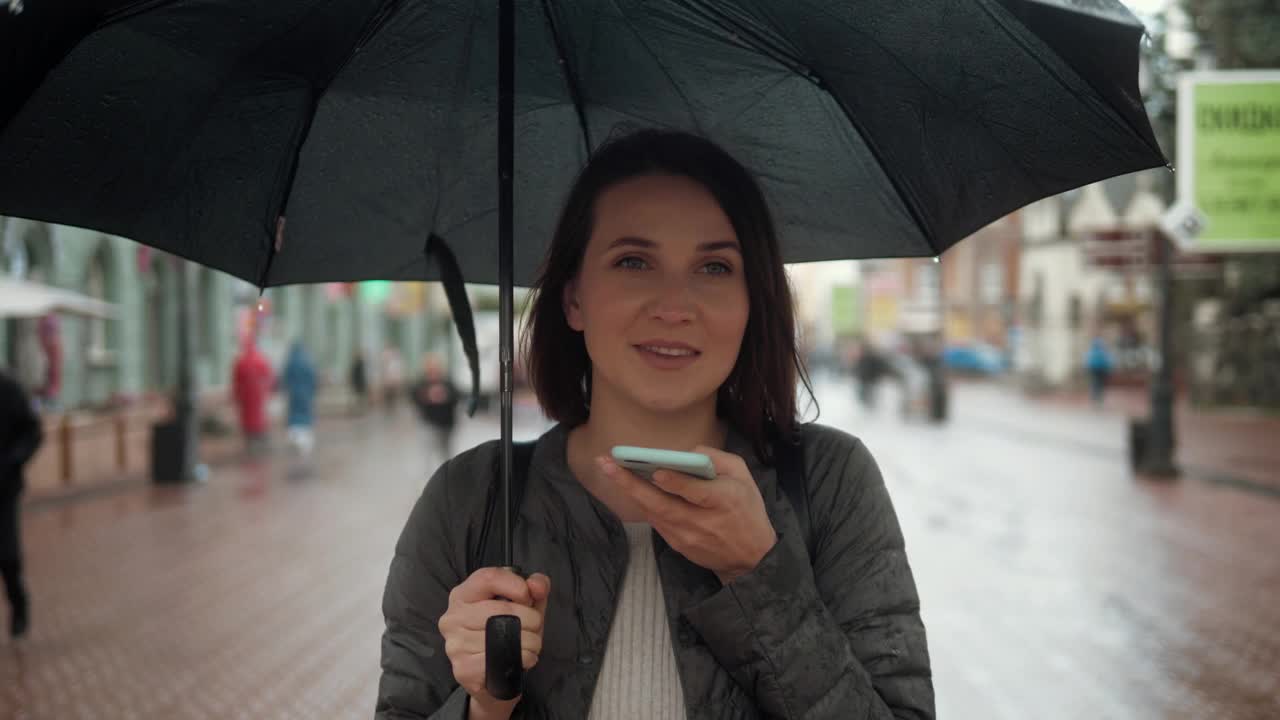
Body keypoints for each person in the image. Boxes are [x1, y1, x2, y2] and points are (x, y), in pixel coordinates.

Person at [375, 130, 934, 719]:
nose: (674, 305)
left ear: (752, 301)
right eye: (633, 261)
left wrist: (759, 575)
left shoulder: (830, 484)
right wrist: (484, 706)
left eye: (715, 267)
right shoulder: (470, 500)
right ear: (573, 300)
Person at [1, 367, 42, 639]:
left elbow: (33, 432)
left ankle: (19, 604)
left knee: (6, 555)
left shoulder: (9, 390)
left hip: (2, 490)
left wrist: (15, 459)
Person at [409, 353, 459, 462]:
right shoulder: (421, 383)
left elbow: (456, 398)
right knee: (427, 451)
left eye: (436, 367)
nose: (434, 371)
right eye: (431, 367)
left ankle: (446, 474)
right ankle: (429, 476)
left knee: (445, 452)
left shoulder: (447, 382)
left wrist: (445, 395)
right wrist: (427, 395)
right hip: (428, 422)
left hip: (446, 424)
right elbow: (414, 398)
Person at [231, 336, 275, 455]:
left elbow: (236, 381)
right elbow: (269, 377)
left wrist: (236, 396)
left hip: (246, 397)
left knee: (249, 419)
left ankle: (251, 442)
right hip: (258, 396)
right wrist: (266, 391)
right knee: (259, 417)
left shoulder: (241, 361)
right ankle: (260, 439)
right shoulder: (261, 360)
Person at [281, 341, 318, 457]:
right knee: (304, 416)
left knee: (294, 415)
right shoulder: (308, 362)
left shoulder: (291, 362)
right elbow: (313, 379)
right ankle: (303, 441)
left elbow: (285, 378)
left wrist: (288, 389)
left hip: (294, 394)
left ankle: (294, 437)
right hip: (305, 395)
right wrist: (312, 391)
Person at [1084, 333, 1113, 407]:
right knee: (1098, 383)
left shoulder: (1095, 347)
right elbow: (1106, 357)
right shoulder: (1100, 346)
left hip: (1097, 368)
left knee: (1097, 383)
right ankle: (1097, 398)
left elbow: (1089, 358)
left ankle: (1097, 397)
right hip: (1098, 368)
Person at [381, 346, 406, 415]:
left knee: (393, 395)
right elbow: (385, 373)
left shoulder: (396, 362)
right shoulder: (387, 364)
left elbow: (398, 371)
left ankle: (392, 406)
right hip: (388, 382)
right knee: (389, 395)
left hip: (394, 381)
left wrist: (398, 379)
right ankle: (389, 406)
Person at [349, 351, 369, 415]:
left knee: (360, 398)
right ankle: (358, 410)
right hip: (358, 384)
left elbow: (361, 375)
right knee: (358, 398)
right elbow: (355, 374)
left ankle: (359, 411)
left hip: (360, 384)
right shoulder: (358, 364)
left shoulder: (360, 364)